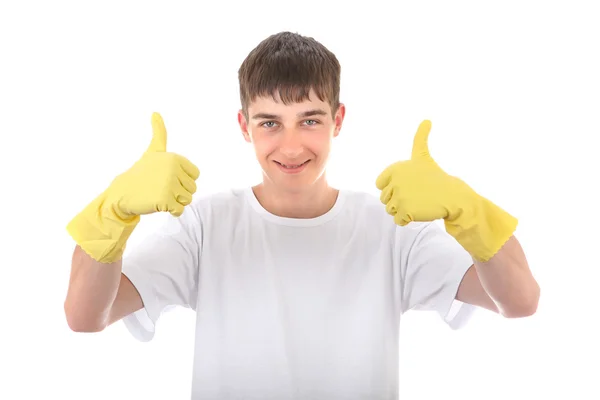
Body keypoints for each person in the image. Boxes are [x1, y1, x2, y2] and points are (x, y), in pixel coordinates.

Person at [64, 31, 540, 399]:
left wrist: (470, 212)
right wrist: (113, 213)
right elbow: (85, 317)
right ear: (244, 127)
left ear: (338, 120)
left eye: (310, 120)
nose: (290, 146)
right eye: (269, 122)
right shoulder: (204, 226)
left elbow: (519, 301)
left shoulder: (393, 229)